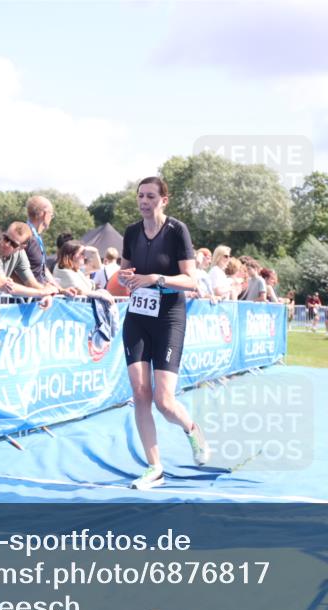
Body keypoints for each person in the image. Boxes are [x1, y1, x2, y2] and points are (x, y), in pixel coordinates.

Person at [116, 177, 209, 490]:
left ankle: (192, 428)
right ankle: (154, 467)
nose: (144, 201)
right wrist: (126, 277)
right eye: (141, 196)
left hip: (169, 317)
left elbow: (192, 280)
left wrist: (158, 278)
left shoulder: (176, 231)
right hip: (138, 317)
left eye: (151, 196)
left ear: (164, 200)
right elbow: (124, 273)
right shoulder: (131, 232)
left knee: (164, 400)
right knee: (140, 393)